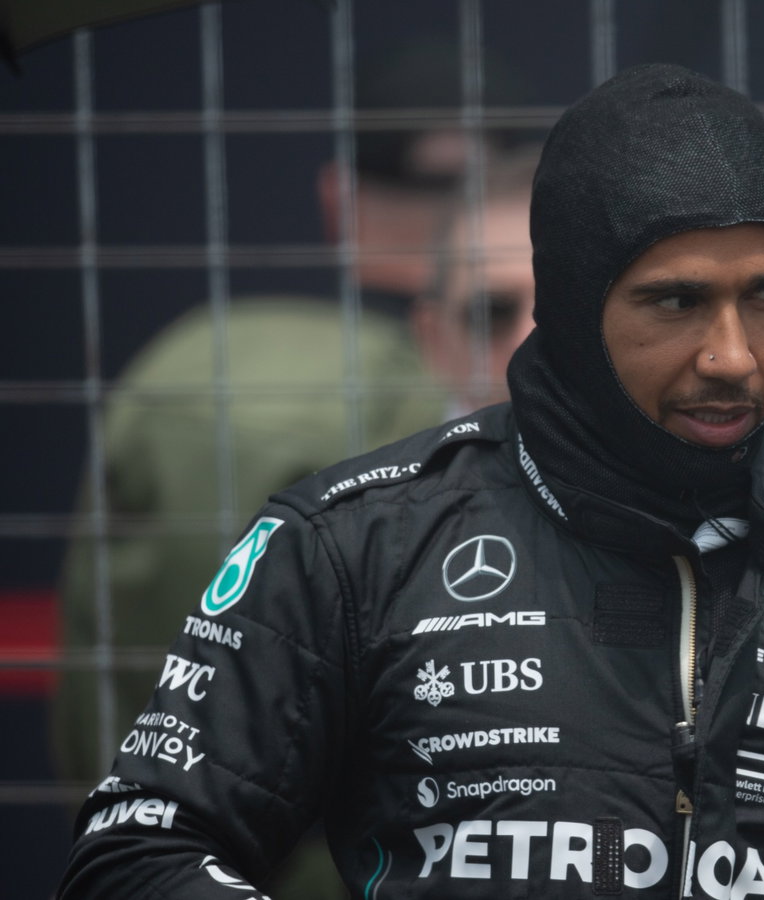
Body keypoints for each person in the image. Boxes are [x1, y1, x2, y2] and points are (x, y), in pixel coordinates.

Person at [58, 63, 764, 899]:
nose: (733, 355)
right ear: (571, 303)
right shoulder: (350, 546)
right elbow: (134, 852)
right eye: (675, 302)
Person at [50, 145, 537, 899]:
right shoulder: (334, 531)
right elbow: (147, 815)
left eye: (563, 307)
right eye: (491, 311)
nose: (531, 342)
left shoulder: (720, 524)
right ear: (435, 333)